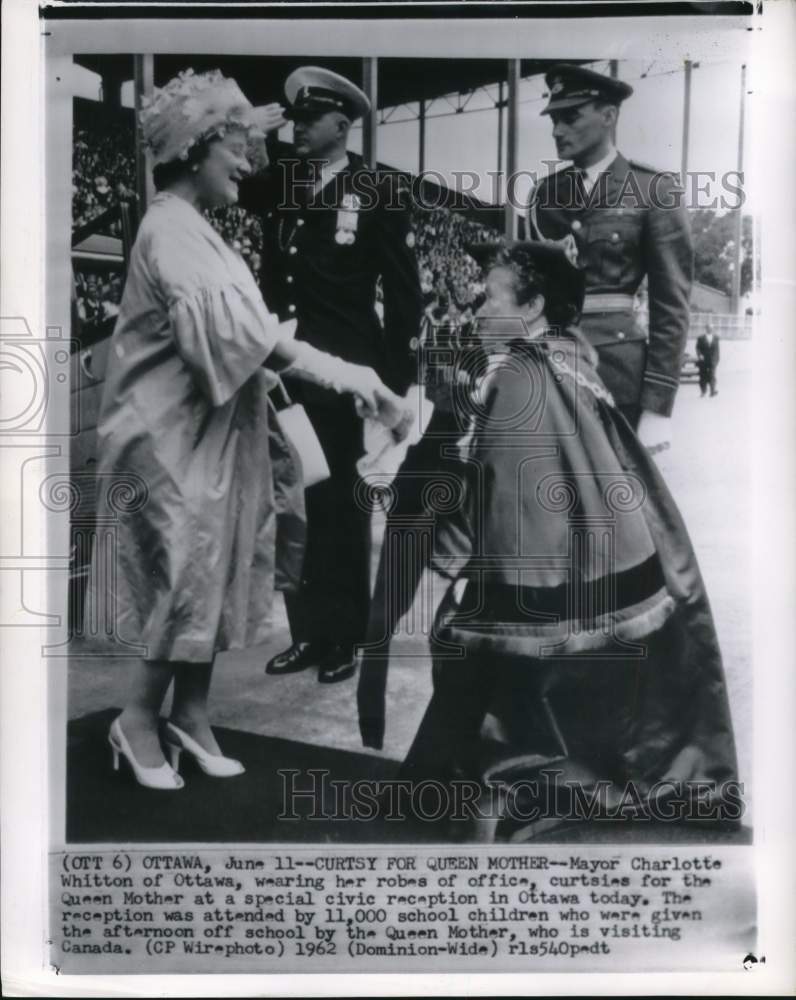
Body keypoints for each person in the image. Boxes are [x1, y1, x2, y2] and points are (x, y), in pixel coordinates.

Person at [92, 69, 406, 791]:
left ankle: (191, 716)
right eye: (233, 147)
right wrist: (360, 380)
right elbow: (257, 340)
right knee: (187, 573)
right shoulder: (169, 229)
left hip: (208, 428)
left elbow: (249, 335)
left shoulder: (195, 225)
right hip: (166, 436)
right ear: (196, 150)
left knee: (220, 564)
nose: (248, 162)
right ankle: (137, 718)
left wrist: (245, 118)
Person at [377, 241, 738, 841]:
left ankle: (494, 792)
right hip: (606, 568)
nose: (476, 312)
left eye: (489, 298)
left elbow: (500, 495)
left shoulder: (520, 374)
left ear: (535, 304)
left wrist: (441, 567)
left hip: (537, 577)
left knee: (472, 651)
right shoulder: (569, 357)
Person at [240, 67, 422, 684]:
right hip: (286, 362)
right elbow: (232, 181)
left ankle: (344, 636)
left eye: (308, 118)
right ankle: (307, 634)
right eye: (294, 117)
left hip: (346, 368)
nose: (297, 126)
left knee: (342, 504)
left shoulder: (377, 188)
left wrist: (394, 388)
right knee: (296, 496)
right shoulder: (284, 181)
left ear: (342, 125)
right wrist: (247, 127)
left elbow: (403, 295)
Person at [528, 63, 693, 456]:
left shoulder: (653, 190)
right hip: (553, 369)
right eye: (554, 120)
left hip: (619, 375)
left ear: (608, 116)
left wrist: (658, 407)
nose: (557, 131)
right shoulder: (544, 196)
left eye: (570, 117)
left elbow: (671, 306)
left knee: (621, 504)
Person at [696, 321, 720, 397]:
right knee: (703, 375)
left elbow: (717, 350)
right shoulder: (701, 338)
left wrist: (716, 359)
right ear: (706, 329)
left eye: (712, 328)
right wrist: (700, 355)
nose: (710, 329)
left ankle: (712, 391)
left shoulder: (716, 338)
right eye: (709, 328)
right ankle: (703, 391)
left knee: (712, 375)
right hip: (703, 360)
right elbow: (697, 348)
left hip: (712, 360)